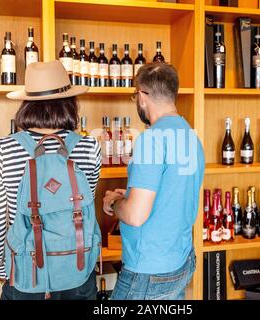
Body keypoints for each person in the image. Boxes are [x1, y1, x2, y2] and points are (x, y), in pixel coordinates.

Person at [0, 61, 101, 300]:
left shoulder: (3, 149)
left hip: (25, 274)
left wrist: (3, 270)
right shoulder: (90, 147)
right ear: (70, 103)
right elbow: (84, 211)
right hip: (77, 271)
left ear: (26, 104)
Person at [103, 63, 205, 300]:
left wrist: (115, 202)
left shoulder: (151, 139)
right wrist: (131, 194)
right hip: (180, 260)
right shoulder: (191, 136)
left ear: (141, 96)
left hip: (149, 270)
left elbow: (135, 216)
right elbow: (173, 191)